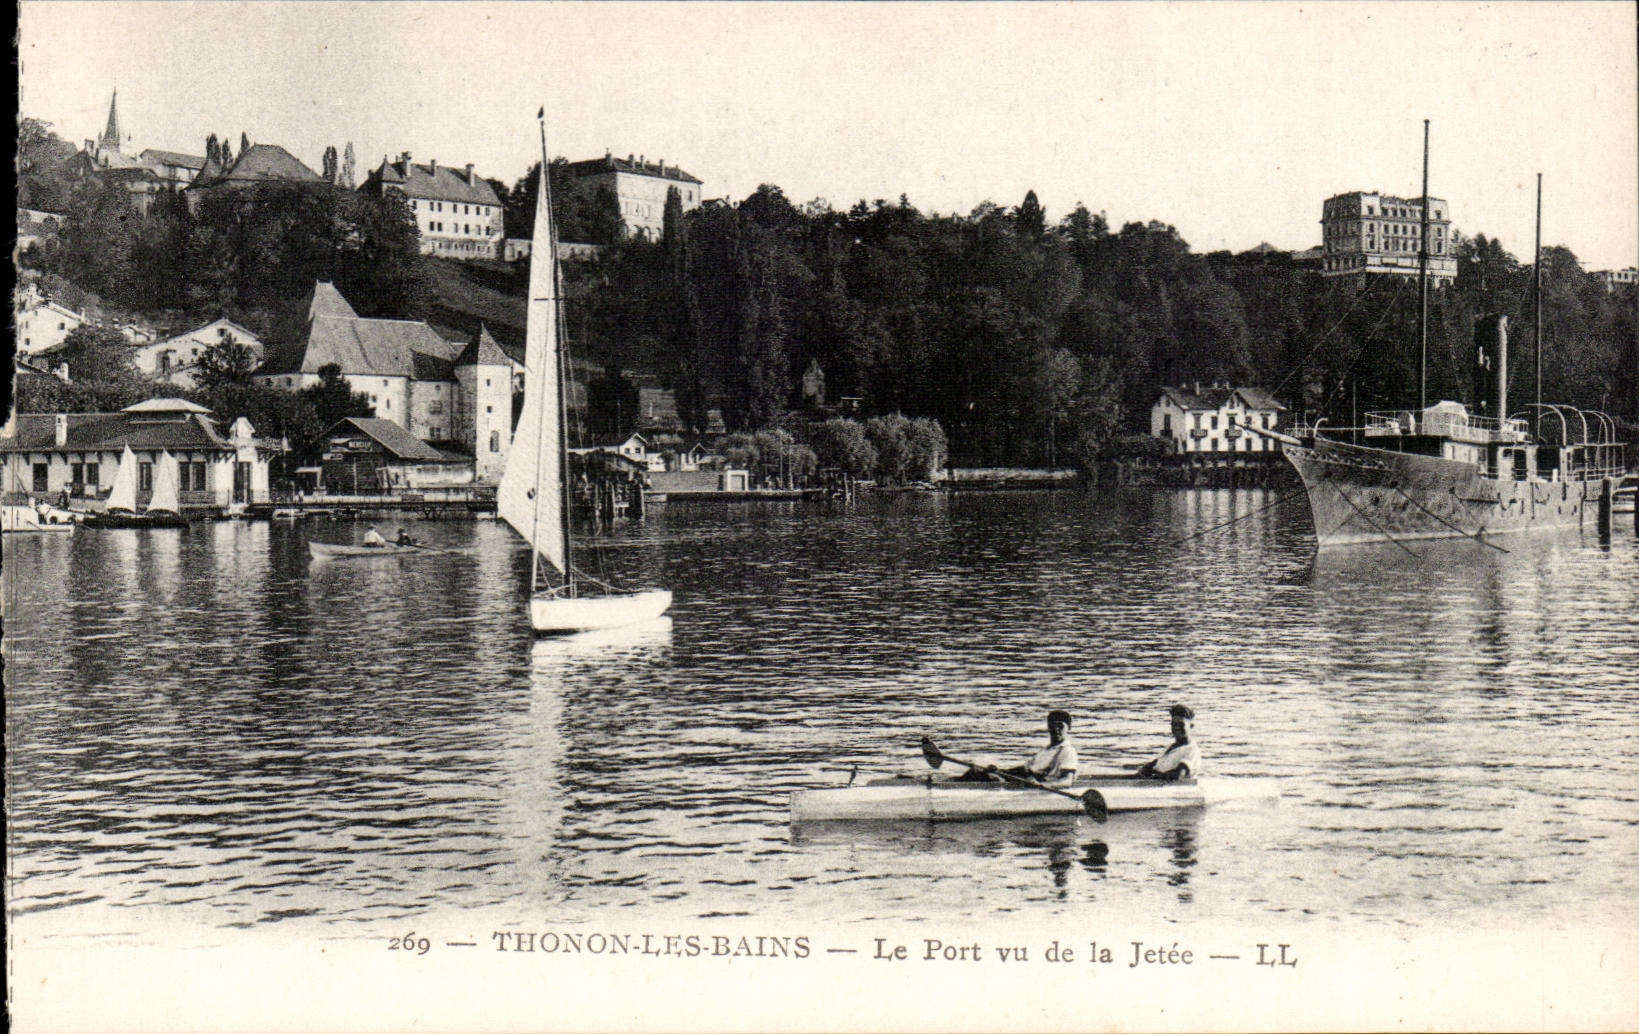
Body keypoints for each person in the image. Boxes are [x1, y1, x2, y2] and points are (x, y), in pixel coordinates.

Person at [956, 709, 1078, 788]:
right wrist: (1000, 772)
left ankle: (950, 790)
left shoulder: (1068, 751)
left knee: (976, 775)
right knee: (976, 771)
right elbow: (1025, 770)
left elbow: (1067, 781)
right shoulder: (1047, 750)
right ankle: (949, 785)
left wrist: (1041, 785)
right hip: (1025, 781)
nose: (1055, 730)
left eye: (1060, 726)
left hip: (1038, 786)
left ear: (1069, 728)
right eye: (1052, 726)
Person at [1136, 704, 1200, 782]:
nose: (1177, 728)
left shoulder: (1191, 750)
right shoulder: (1171, 746)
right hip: (1157, 782)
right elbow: (1156, 764)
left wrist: (1154, 775)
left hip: (1171, 786)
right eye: (1174, 724)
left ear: (1191, 726)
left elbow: (1179, 775)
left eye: (1181, 725)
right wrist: (1145, 768)